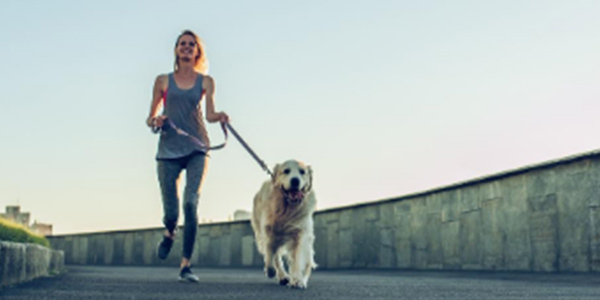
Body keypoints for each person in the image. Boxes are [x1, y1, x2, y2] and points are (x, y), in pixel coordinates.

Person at [145, 29, 229, 282]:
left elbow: (210, 114)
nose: (187, 47)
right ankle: (170, 232)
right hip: (168, 151)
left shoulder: (206, 81)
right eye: (183, 43)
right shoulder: (162, 81)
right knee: (172, 213)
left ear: (197, 51)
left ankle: (185, 265)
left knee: (191, 203)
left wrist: (221, 117)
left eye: (191, 44)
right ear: (176, 49)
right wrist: (156, 120)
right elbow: (150, 117)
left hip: (197, 148)